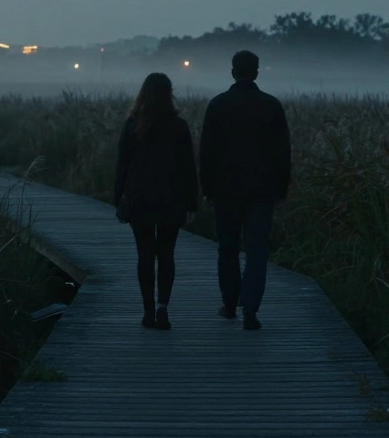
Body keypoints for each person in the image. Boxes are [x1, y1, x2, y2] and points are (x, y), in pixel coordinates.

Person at [199, 50, 290, 331]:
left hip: (225, 189)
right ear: (257, 72)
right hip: (262, 189)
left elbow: (207, 152)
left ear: (233, 72)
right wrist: (282, 188)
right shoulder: (271, 105)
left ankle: (229, 305)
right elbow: (282, 153)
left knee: (227, 249)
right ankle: (250, 310)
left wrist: (207, 187)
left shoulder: (218, 105)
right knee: (257, 251)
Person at [114, 72, 200, 330]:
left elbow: (122, 166)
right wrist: (192, 203)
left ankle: (148, 310)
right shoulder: (179, 126)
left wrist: (118, 200)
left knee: (144, 254)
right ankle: (163, 306)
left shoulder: (132, 125)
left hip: (139, 198)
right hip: (171, 198)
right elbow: (188, 168)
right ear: (169, 94)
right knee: (166, 254)